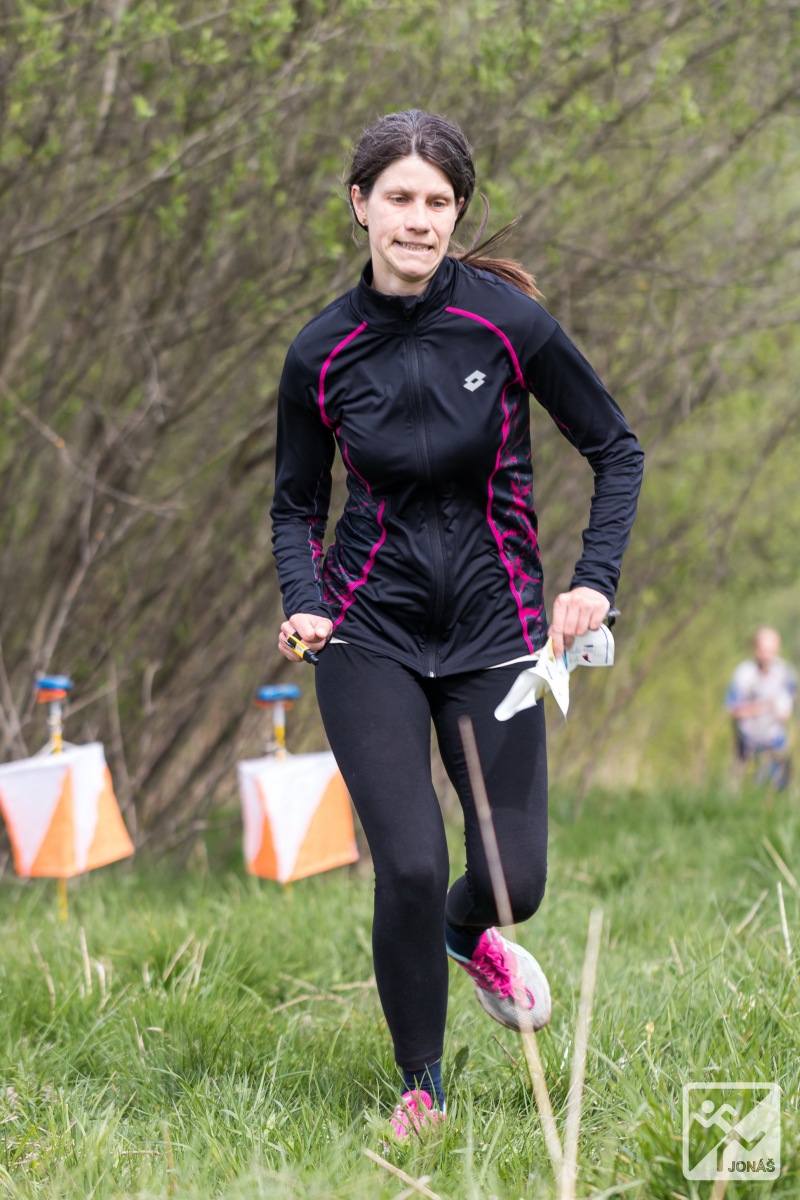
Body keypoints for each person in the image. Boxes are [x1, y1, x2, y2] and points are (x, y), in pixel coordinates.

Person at [270, 110, 644, 1137]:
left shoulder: (506, 325)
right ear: (360, 205)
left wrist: (593, 581)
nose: (419, 220)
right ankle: (421, 1087)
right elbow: (295, 505)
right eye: (399, 198)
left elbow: (616, 450)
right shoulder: (320, 352)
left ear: (457, 211)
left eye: (438, 202)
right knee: (408, 860)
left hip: (498, 634)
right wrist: (303, 597)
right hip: (367, 633)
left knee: (513, 882)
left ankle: (462, 932)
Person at [726, 627, 796, 790]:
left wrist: (758, 708)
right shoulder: (743, 673)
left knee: (779, 790)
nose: (767, 655)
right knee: (743, 790)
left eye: (771, 650)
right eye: (763, 649)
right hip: (746, 744)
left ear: (778, 649)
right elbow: (734, 709)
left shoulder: (786, 673)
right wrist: (768, 706)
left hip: (776, 744)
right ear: (755, 648)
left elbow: (787, 713)